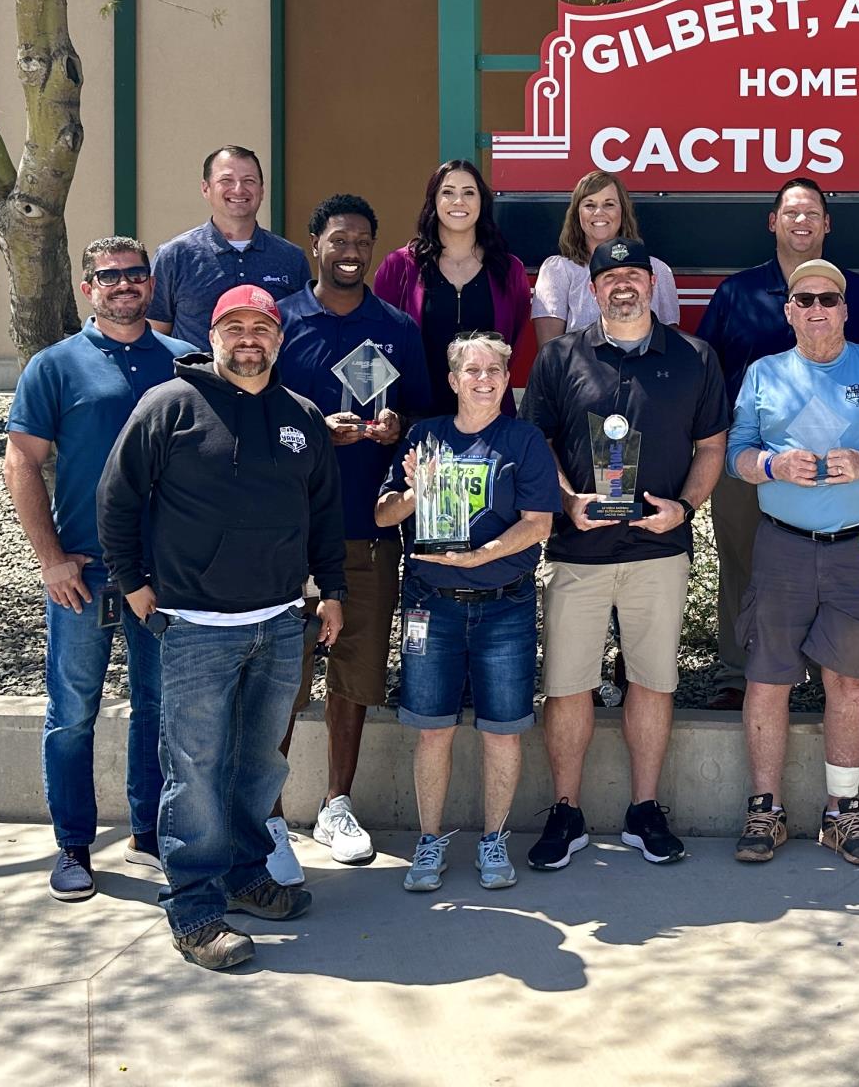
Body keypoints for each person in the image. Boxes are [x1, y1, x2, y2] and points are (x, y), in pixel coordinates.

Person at [98, 284, 345, 971]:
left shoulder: (301, 418)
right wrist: (135, 586)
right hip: (195, 628)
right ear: (212, 337)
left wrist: (332, 591)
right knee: (197, 770)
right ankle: (196, 906)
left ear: (278, 337)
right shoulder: (169, 407)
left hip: (278, 623)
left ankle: (245, 873)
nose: (248, 339)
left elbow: (324, 515)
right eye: (233, 327)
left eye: (260, 328)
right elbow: (115, 499)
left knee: (259, 761)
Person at [522, 239, 729, 870]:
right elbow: (539, 441)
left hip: (656, 549)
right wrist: (565, 499)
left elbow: (713, 448)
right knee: (567, 686)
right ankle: (566, 811)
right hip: (579, 548)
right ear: (593, 289)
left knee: (652, 681)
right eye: (609, 278)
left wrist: (685, 510)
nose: (623, 287)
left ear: (651, 284)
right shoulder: (559, 358)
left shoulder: (694, 357)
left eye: (634, 276)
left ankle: (644, 810)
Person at [5, 238, 197, 902]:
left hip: (164, 576)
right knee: (72, 714)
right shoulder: (56, 366)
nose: (123, 285)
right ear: (89, 287)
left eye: (134, 275)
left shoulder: (185, 363)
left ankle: (150, 831)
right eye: (109, 277)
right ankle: (74, 844)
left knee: (159, 710)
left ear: (150, 284)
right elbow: (21, 461)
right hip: (81, 578)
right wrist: (50, 558)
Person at [724, 258, 859, 866]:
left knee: (849, 680)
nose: (816, 309)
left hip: (858, 548)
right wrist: (769, 466)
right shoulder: (764, 373)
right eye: (804, 299)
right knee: (767, 676)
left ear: (845, 309)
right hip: (781, 544)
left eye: (828, 299)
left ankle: (842, 811)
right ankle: (766, 808)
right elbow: (737, 449)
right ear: (789, 310)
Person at [695, 177, 859, 710]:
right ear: (773, 222)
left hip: (845, 469)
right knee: (744, 563)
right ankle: (739, 672)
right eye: (790, 212)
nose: (801, 221)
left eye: (812, 212)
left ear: (827, 224)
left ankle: (825, 673)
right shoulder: (737, 293)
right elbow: (707, 375)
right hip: (754, 464)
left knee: (833, 569)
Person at [270, 194, 430, 880]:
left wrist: (399, 430)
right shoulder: (278, 320)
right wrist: (311, 430)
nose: (352, 251)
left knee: (355, 674)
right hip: (285, 535)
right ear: (314, 244)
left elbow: (424, 414)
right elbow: (251, 410)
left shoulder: (394, 326)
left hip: (368, 530)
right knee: (281, 676)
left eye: (363, 240)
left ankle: (337, 802)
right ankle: (267, 813)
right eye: (339, 238)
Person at [375, 332, 559, 893]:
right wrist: (412, 491)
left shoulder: (523, 439)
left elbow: (539, 523)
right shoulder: (425, 436)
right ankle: (429, 842)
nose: (485, 379)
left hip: (505, 607)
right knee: (432, 732)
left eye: (496, 371)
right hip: (432, 606)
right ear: (453, 381)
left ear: (508, 380)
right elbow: (384, 516)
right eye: (472, 370)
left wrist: (481, 555)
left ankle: (494, 839)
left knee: (502, 732)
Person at [374, 159, 532, 418]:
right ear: (433, 201)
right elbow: (383, 341)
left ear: (482, 202)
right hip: (417, 419)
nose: (459, 201)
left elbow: (514, 339)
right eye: (448, 192)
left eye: (469, 192)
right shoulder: (399, 266)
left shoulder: (508, 269)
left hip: (489, 418)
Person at [147, 146, 309, 348]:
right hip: (195, 380)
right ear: (206, 188)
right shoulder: (174, 256)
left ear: (262, 190)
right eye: (226, 181)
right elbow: (155, 335)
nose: (239, 189)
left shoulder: (291, 258)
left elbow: (303, 334)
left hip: (272, 379)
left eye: (249, 181)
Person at [531, 170, 682, 342]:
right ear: (577, 213)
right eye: (589, 205)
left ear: (623, 211)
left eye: (609, 204)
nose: (598, 212)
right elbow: (550, 353)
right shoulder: (557, 270)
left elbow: (671, 345)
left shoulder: (657, 270)